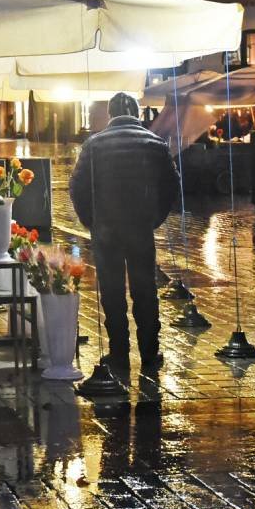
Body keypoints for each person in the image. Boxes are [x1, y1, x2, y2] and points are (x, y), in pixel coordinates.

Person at [69, 93, 179, 372]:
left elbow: (77, 186)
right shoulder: (155, 143)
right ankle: (149, 353)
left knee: (112, 291)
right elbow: (171, 186)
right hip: (141, 226)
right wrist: (154, 218)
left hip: (106, 228)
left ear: (110, 114)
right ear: (138, 113)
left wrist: (90, 220)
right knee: (145, 288)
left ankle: (119, 353)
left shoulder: (94, 144)